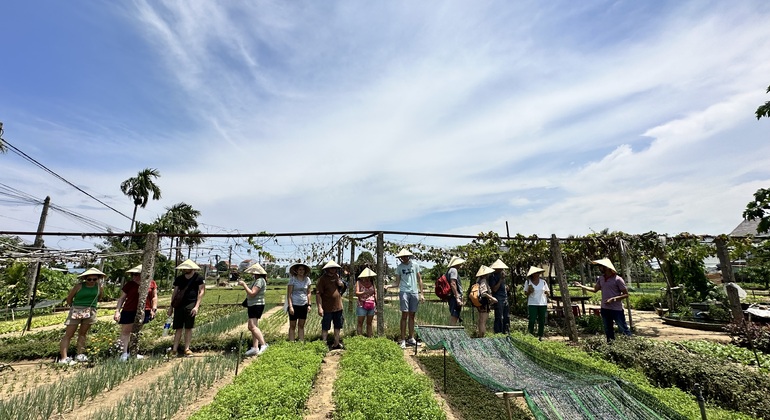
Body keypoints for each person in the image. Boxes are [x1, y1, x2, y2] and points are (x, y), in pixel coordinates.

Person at [575, 258, 631, 342]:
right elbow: (595, 290)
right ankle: (610, 346)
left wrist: (614, 299)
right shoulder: (601, 279)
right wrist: (581, 286)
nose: (599, 268)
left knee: (623, 328)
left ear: (607, 267)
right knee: (608, 329)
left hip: (616, 309)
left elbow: (626, 294)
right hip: (605, 308)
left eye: (601, 266)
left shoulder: (618, 279)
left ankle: (630, 344)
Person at [59, 267, 104, 365]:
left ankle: (80, 354)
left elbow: (100, 297)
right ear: (85, 279)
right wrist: (74, 308)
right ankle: (64, 358)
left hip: (90, 311)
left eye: (94, 279)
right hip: (76, 310)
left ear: (98, 279)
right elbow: (69, 298)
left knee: (83, 333)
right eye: (89, 279)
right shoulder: (78, 286)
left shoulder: (98, 287)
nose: (92, 281)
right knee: (69, 334)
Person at [114, 264, 158, 361]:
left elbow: (154, 297)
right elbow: (122, 298)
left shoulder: (151, 283)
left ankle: (133, 352)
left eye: (138, 274)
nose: (136, 277)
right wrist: (117, 311)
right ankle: (124, 353)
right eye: (134, 275)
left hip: (144, 310)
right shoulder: (129, 285)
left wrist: (153, 309)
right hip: (129, 310)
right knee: (126, 332)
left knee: (136, 331)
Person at [168, 259, 205, 357]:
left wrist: (196, 306)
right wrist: (171, 307)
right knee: (178, 328)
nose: (185, 269)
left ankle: (187, 349)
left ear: (192, 268)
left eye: (187, 268)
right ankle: (174, 349)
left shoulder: (198, 278)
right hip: (179, 305)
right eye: (184, 268)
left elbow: (201, 292)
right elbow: (175, 293)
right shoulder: (179, 278)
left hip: (191, 304)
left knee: (189, 327)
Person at [239, 263, 269, 356]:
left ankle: (263, 344)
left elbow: (252, 293)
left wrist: (244, 285)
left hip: (256, 305)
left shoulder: (260, 280)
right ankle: (255, 347)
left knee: (252, 327)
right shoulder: (257, 280)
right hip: (253, 304)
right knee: (253, 326)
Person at [315, 260, 345, 350]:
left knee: (337, 326)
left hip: (338, 307)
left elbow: (342, 287)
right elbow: (318, 294)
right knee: (325, 327)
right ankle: (324, 344)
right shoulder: (322, 279)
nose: (333, 270)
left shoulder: (337, 276)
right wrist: (320, 307)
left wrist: (341, 284)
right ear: (327, 269)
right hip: (327, 308)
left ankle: (336, 343)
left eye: (335, 268)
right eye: (332, 268)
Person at [286, 262, 312, 342]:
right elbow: (289, 294)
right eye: (300, 269)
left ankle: (301, 342)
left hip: (303, 304)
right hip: (294, 304)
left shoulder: (307, 280)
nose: (301, 271)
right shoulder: (292, 279)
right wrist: (290, 306)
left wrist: (309, 304)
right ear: (296, 271)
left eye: (303, 269)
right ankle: (291, 342)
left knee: (301, 325)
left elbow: (308, 292)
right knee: (292, 325)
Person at [523, 266, 549, 340]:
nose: (537, 274)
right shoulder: (528, 282)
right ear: (532, 274)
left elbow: (547, 291)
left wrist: (547, 293)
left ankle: (540, 335)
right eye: (535, 273)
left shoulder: (543, 282)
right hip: (532, 303)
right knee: (532, 319)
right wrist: (529, 291)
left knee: (542, 320)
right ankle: (530, 334)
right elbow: (525, 293)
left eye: (538, 273)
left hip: (542, 303)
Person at [473, 265, 498, 338]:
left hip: (480, 303)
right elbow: (483, 293)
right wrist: (492, 298)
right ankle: (482, 337)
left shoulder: (478, 280)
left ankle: (480, 335)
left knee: (480, 320)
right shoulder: (483, 281)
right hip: (484, 303)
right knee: (483, 321)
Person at [489, 258, 510, 334]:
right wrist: (500, 280)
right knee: (499, 316)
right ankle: (498, 332)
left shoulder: (503, 276)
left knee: (506, 316)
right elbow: (494, 289)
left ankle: (505, 331)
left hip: (505, 298)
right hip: (498, 298)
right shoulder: (493, 276)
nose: (502, 269)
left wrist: (506, 287)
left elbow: (502, 287)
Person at [355, 267, 377, 337]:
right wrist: (364, 292)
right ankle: (360, 337)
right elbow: (356, 293)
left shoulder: (372, 282)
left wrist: (377, 304)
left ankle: (369, 337)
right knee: (360, 322)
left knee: (369, 322)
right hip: (361, 305)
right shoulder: (359, 282)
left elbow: (375, 293)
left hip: (371, 304)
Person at [446, 256, 466, 326]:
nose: (461, 265)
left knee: (455, 315)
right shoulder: (454, 270)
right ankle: (451, 333)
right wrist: (457, 297)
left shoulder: (449, 270)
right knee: (454, 315)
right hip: (454, 297)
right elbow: (453, 283)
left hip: (452, 296)